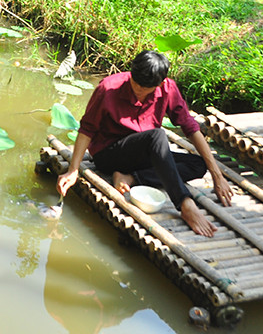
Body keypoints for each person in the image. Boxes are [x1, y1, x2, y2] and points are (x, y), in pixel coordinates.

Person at [56, 50, 232, 237]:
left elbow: (190, 127)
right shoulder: (108, 88)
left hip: (143, 153)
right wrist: (73, 169)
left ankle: (131, 178)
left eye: (144, 88)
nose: (137, 90)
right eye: (135, 83)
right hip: (109, 154)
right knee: (156, 136)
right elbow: (87, 129)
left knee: (198, 165)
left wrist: (217, 175)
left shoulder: (168, 88)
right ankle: (185, 203)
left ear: (161, 84)